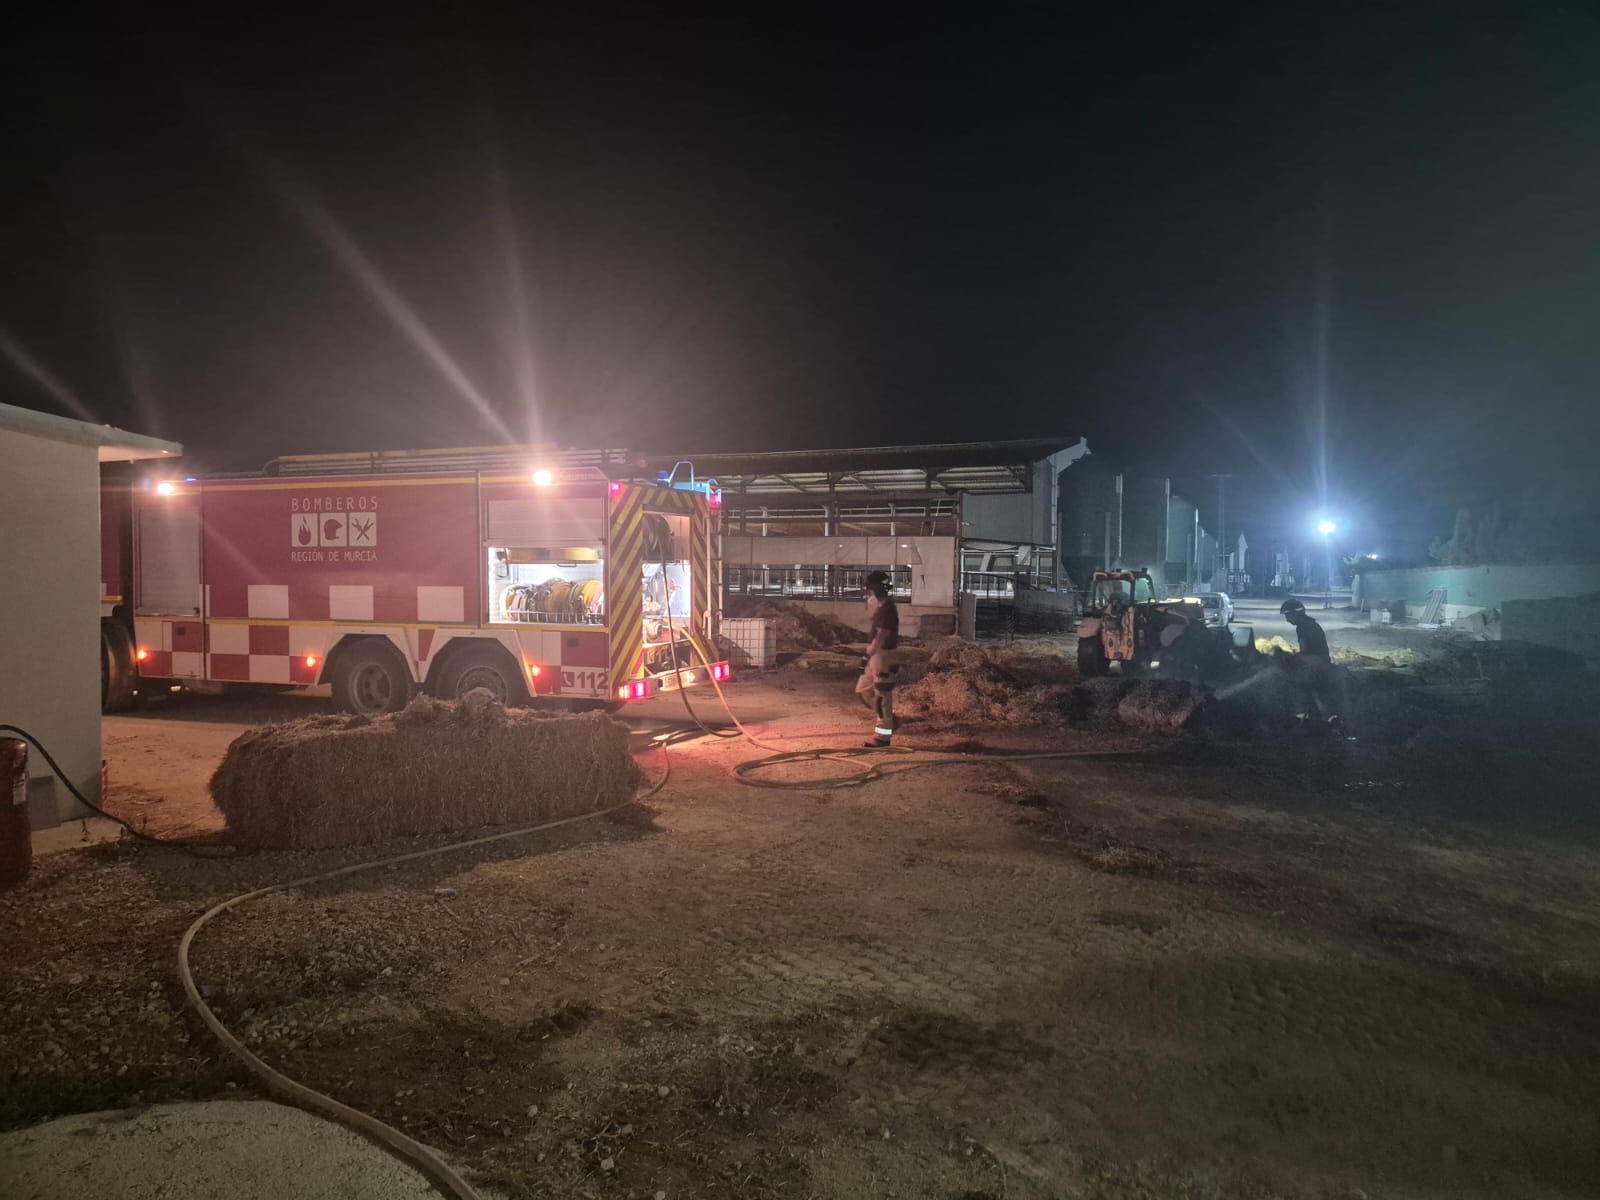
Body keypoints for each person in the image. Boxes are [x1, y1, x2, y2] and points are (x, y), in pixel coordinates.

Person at [856, 570, 901, 747]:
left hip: (883, 656)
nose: (869, 595)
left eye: (870, 591)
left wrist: (867, 654)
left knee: (882, 696)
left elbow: (881, 636)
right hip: (877, 656)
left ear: (876, 590)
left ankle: (883, 736)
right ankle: (891, 720)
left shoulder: (887, 610)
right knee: (863, 690)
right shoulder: (883, 609)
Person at [1279, 597, 1340, 727]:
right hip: (1323, 661)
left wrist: (1287, 657)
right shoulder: (1312, 624)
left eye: (1288, 616)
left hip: (1315, 664)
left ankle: (1300, 713)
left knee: (1291, 679)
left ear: (1296, 614)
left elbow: (1304, 651)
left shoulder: (1302, 627)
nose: (1287, 619)